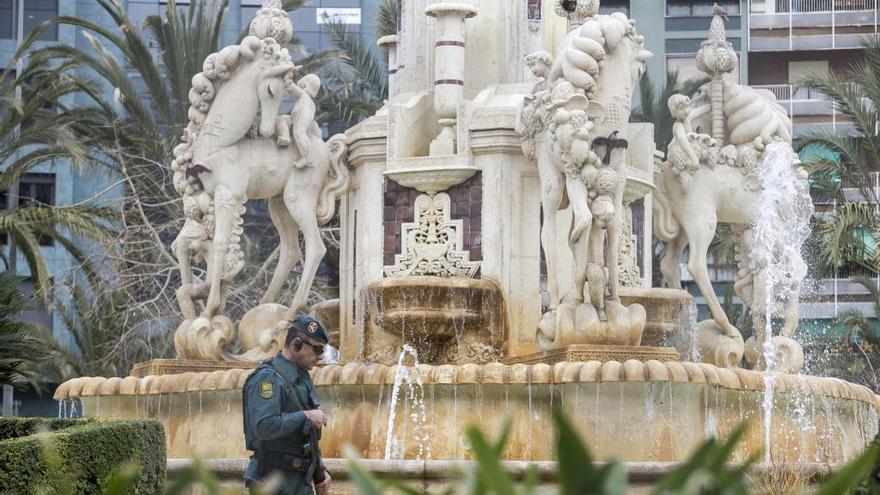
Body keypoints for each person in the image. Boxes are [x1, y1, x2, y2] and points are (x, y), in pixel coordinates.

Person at [242, 315, 332, 495]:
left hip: (298, 482)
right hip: (272, 482)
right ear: (296, 344)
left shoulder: (301, 378)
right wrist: (305, 415)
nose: (319, 357)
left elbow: (307, 435)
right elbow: (264, 427)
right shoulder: (267, 378)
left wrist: (320, 470)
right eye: (317, 349)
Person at [275, 74, 321, 169]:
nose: (299, 84)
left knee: (299, 133)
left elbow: (291, 86)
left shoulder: (304, 96)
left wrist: (285, 77)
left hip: (301, 117)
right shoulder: (303, 99)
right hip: (294, 118)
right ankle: (285, 136)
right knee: (280, 119)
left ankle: (306, 158)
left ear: (305, 86)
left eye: (301, 83)